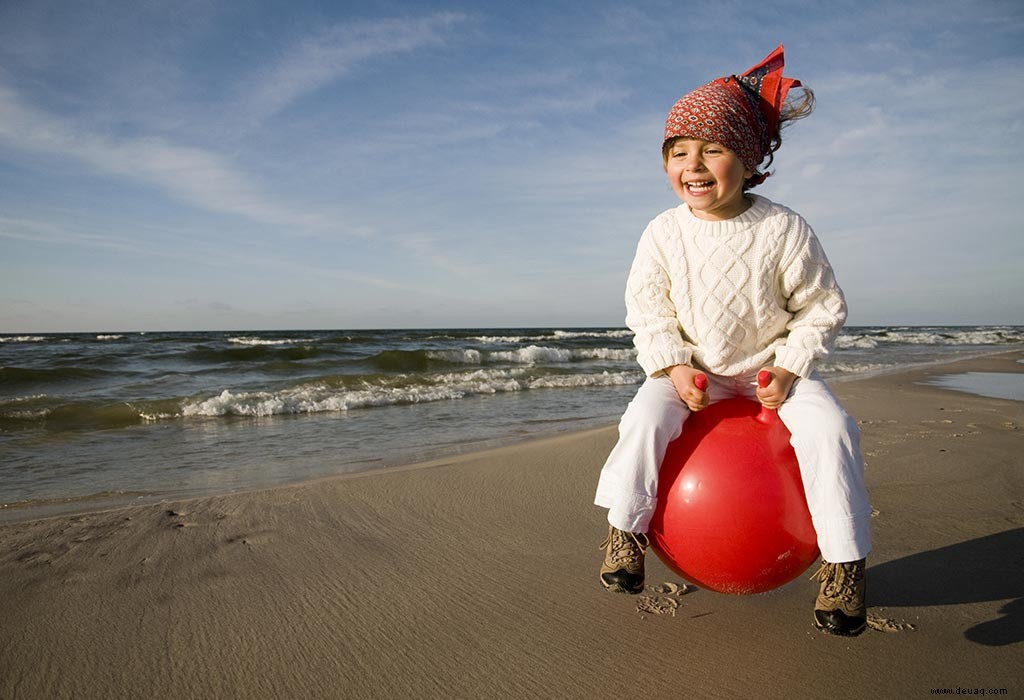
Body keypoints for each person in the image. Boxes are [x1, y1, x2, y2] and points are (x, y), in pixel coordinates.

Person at [593, 45, 872, 637]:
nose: (693, 166)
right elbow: (647, 309)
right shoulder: (662, 233)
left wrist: (792, 367)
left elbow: (823, 307)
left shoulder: (783, 227)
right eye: (678, 153)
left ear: (746, 162)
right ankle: (626, 531)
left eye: (712, 151)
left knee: (833, 429)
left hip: (774, 374)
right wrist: (672, 368)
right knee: (643, 420)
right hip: (694, 375)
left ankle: (844, 564)